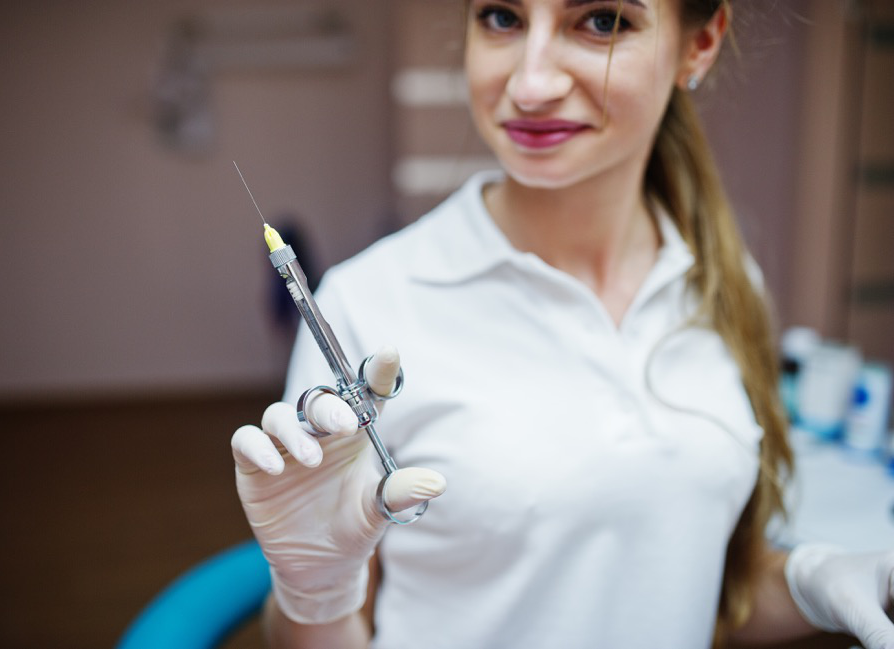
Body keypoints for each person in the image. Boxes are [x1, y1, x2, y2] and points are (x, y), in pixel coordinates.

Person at [231, 1, 894, 647]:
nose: (530, 83)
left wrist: (809, 582)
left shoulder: (720, 279)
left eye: (602, 21)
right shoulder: (367, 304)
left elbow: (705, 594)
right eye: (501, 17)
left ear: (699, 44)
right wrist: (315, 589)